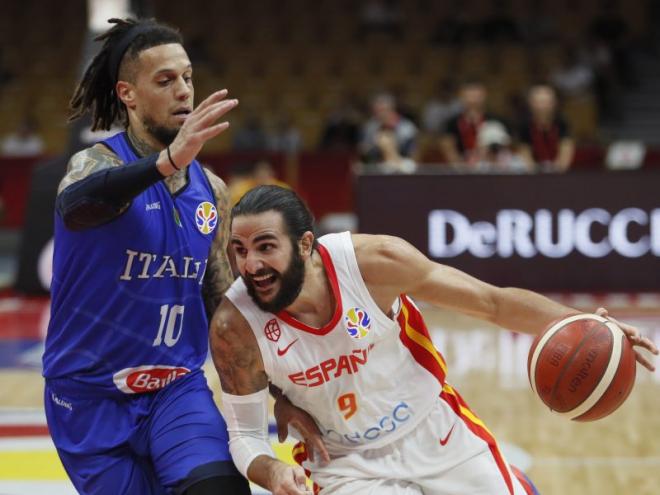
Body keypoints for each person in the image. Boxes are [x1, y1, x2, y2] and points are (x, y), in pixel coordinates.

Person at [210, 185, 658, 495]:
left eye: (266, 247)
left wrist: (588, 325)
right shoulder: (236, 325)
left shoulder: (373, 264)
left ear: (305, 245)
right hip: (345, 462)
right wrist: (271, 470)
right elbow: (245, 433)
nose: (250, 264)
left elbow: (492, 302)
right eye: (239, 250)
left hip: (435, 427)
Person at [41, 17, 250, 495]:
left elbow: (223, 308)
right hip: (87, 396)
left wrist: (279, 392)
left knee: (219, 489)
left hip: (175, 389)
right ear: (128, 95)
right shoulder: (94, 165)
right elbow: (79, 205)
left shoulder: (211, 191)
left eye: (188, 77)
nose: (184, 91)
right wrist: (168, 161)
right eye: (165, 80)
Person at [518, 84, 575, 173]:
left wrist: (556, 170)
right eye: (538, 102)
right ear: (531, 103)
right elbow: (525, 154)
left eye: (546, 102)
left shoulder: (563, 124)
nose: (542, 107)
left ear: (554, 103)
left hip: (559, 175)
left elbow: (566, 153)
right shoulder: (524, 126)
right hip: (532, 176)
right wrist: (535, 172)